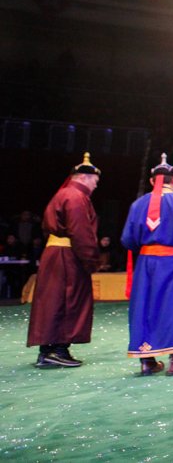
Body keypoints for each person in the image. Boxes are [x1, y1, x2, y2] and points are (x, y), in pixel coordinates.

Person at [121, 154, 173, 376]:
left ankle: (146, 361)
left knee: (144, 308)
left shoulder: (138, 204)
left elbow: (127, 240)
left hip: (145, 264)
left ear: (152, 181)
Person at [27, 153, 102, 368]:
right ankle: (58, 349)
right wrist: (91, 260)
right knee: (68, 300)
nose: (95, 186)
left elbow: (46, 228)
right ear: (84, 178)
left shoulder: (62, 194)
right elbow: (81, 233)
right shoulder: (76, 197)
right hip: (68, 256)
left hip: (55, 252)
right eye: (95, 181)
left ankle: (48, 350)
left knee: (52, 301)